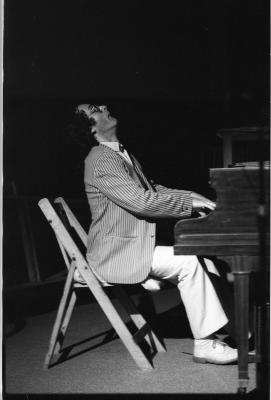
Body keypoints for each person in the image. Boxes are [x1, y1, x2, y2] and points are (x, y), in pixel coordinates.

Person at [72, 103, 238, 365]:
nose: (104, 106)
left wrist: (191, 196)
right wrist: (187, 204)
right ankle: (205, 345)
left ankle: (242, 334)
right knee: (187, 262)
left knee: (204, 259)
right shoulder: (100, 159)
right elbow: (140, 201)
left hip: (132, 246)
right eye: (95, 109)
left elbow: (153, 189)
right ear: (92, 127)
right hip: (116, 253)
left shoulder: (121, 153)